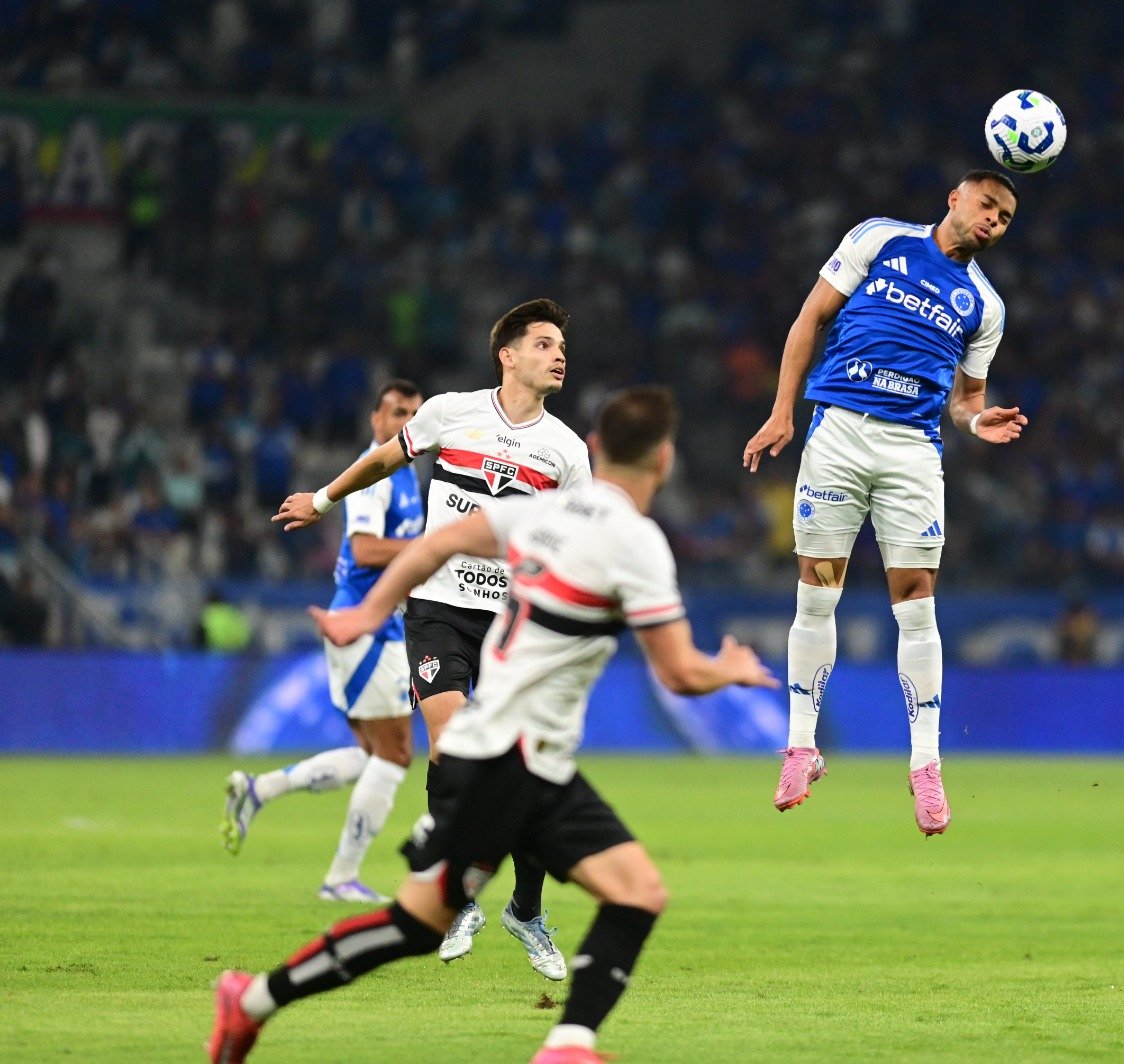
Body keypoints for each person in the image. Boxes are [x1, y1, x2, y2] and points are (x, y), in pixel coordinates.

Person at [209, 386, 777, 1064]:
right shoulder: (639, 544)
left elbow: (433, 545)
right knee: (600, 902)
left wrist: (367, 615)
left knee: (612, 896)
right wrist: (731, 668)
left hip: (523, 763)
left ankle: (252, 1003)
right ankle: (564, 1039)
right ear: (664, 459)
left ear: (594, 449)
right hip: (511, 761)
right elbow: (680, 673)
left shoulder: (540, 513)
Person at [273, 299, 587, 974]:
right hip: (439, 609)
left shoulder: (568, 452)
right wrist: (322, 501)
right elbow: (383, 461)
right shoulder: (450, 411)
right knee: (453, 743)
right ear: (507, 355)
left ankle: (525, 911)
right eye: (544, 343)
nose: (560, 354)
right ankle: (460, 895)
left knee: (526, 767)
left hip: (516, 623)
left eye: (562, 345)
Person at [741, 169, 1027, 835]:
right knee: (816, 593)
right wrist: (783, 411)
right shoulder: (880, 238)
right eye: (988, 205)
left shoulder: (985, 306)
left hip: (911, 453)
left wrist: (975, 422)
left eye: (1006, 217)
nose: (994, 220)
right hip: (837, 428)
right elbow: (811, 315)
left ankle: (925, 765)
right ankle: (802, 747)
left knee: (916, 602)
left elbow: (966, 401)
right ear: (955, 196)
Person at [221, 380, 425, 903]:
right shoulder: (377, 474)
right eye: (397, 411)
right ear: (375, 417)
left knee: (370, 751)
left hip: (375, 627)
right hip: (368, 628)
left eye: (415, 414)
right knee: (397, 754)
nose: (406, 422)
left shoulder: (403, 475)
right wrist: (433, 548)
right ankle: (339, 879)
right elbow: (364, 549)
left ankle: (258, 789)